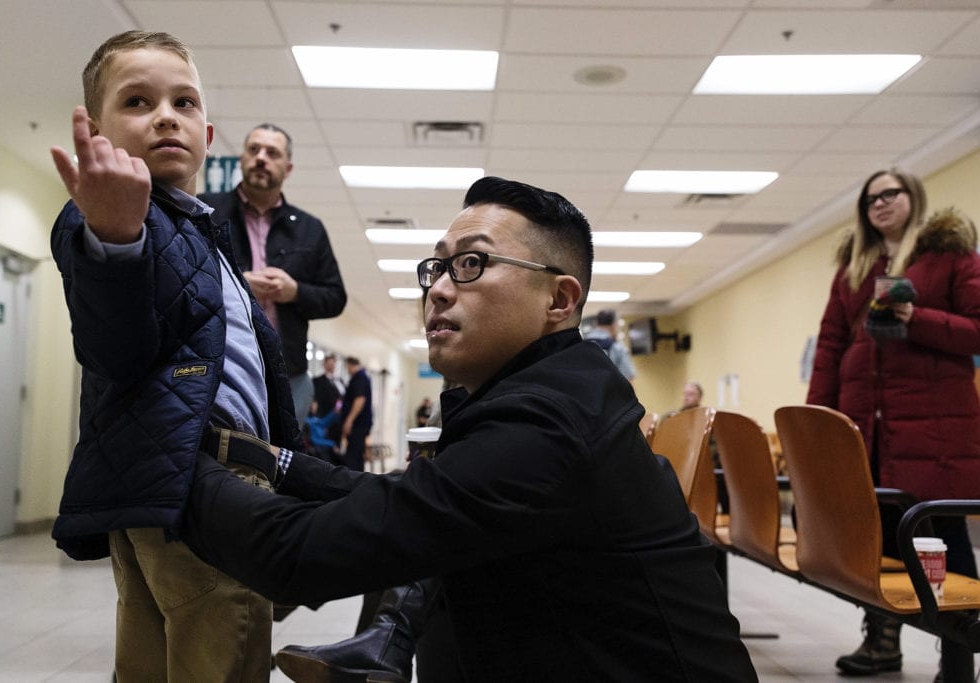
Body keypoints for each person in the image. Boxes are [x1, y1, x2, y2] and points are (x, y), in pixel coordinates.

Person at [181, 176, 757, 682]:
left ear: (559, 299)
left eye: (472, 263)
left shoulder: (546, 425)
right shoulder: (546, 395)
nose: (436, 288)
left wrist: (176, 462)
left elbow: (298, 556)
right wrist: (280, 463)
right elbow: (412, 499)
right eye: (437, 266)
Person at [48, 31, 301, 682]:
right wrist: (115, 236)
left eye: (183, 102)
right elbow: (116, 347)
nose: (165, 116)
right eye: (137, 101)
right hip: (198, 481)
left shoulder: (200, 234)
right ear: (97, 133)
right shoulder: (109, 219)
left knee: (154, 664)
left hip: (173, 482)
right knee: (224, 654)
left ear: (207, 135)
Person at [807, 168, 980, 678]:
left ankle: (959, 651)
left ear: (913, 197)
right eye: (870, 199)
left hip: (935, 427)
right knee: (879, 540)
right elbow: (830, 345)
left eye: (890, 193)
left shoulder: (951, 256)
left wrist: (916, 318)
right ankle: (882, 642)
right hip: (868, 428)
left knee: (942, 535)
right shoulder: (854, 268)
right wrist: (818, 420)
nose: (880, 204)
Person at [199, 123, 347, 430]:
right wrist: (238, 285)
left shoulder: (309, 228)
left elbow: (335, 297)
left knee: (279, 457)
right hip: (219, 366)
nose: (261, 158)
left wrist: (295, 292)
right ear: (242, 158)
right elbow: (181, 278)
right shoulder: (205, 211)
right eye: (254, 150)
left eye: (272, 153)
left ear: (288, 168)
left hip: (289, 375)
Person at [339, 356, 373, 471]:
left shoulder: (359, 378)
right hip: (360, 424)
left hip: (357, 425)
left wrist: (349, 421)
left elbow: (360, 400)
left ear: (350, 365)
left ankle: (353, 480)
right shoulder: (362, 378)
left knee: (353, 458)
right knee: (356, 456)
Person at [584, 308, 637, 380]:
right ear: (614, 324)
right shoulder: (617, 347)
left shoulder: (581, 344)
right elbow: (628, 377)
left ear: (597, 323)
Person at [313, 352, 345, 419]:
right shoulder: (317, 380)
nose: (331, 366)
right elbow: (315, 396)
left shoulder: (339, 381)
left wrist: (339, 406)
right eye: (329, 364)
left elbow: (342, 396)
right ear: (324, 364)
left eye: (333, 364)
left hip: (338, 414)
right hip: (323, 413)